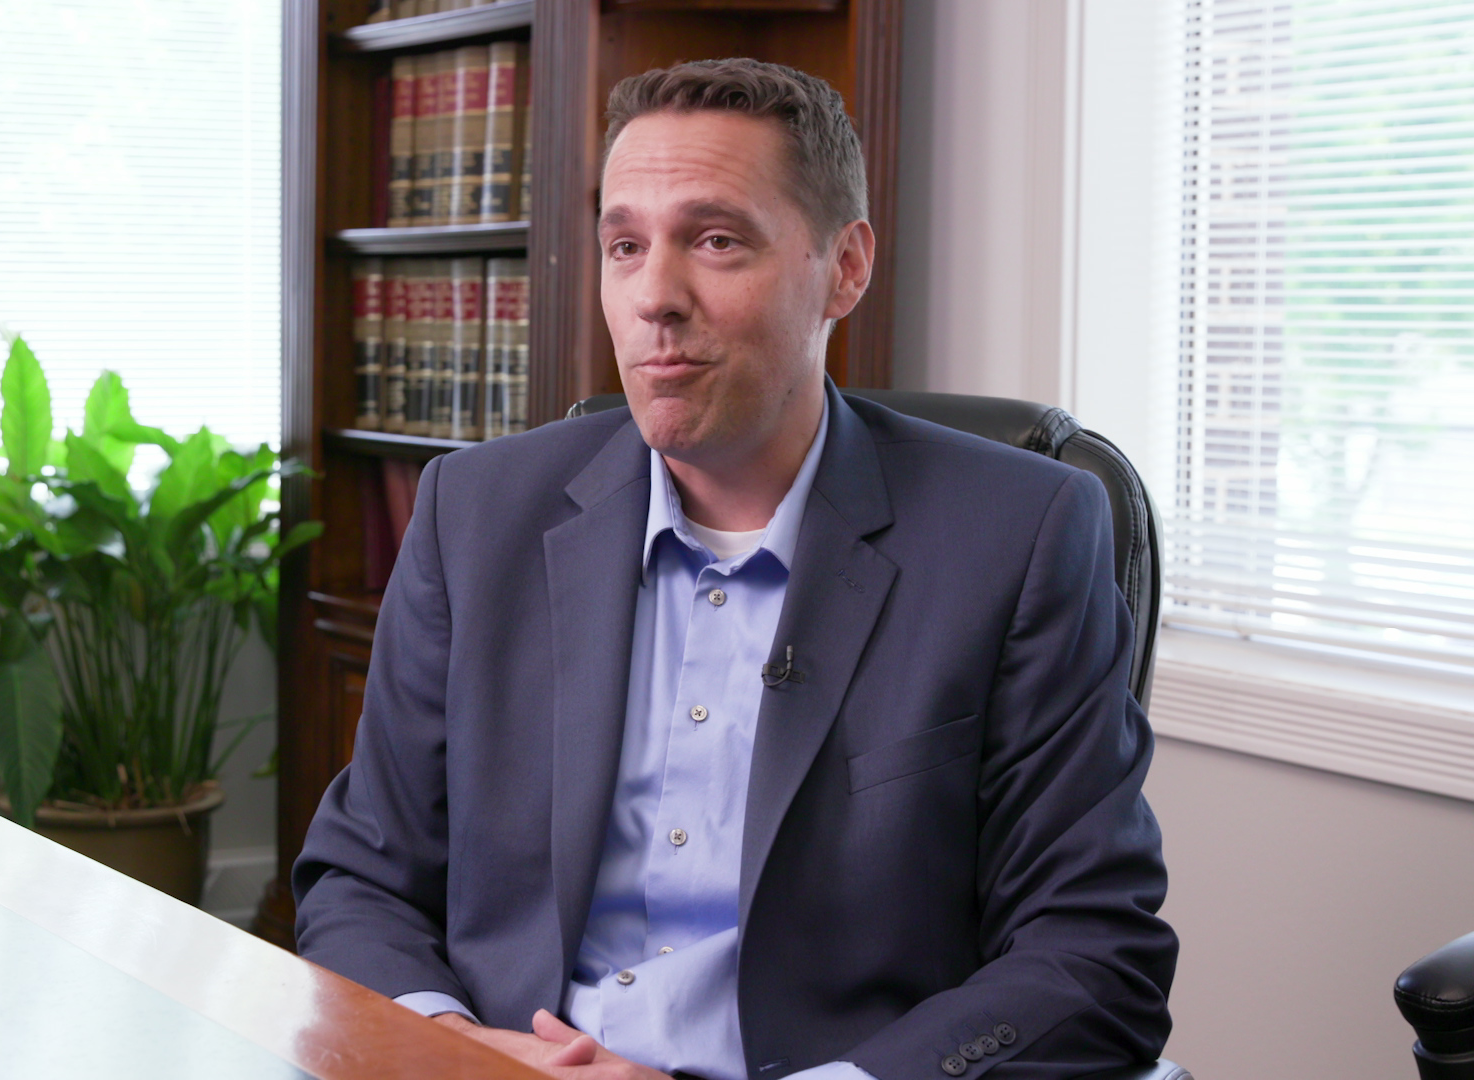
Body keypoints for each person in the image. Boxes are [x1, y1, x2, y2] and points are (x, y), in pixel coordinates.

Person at [294, 58, 1177, 1080]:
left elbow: (1092, 958)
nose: (654, 298)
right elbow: (363, 871)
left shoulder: (1018, 535)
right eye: (625, 246)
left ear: (844, 267)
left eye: (716, 241)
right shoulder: (476, 514)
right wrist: (455, 1048)